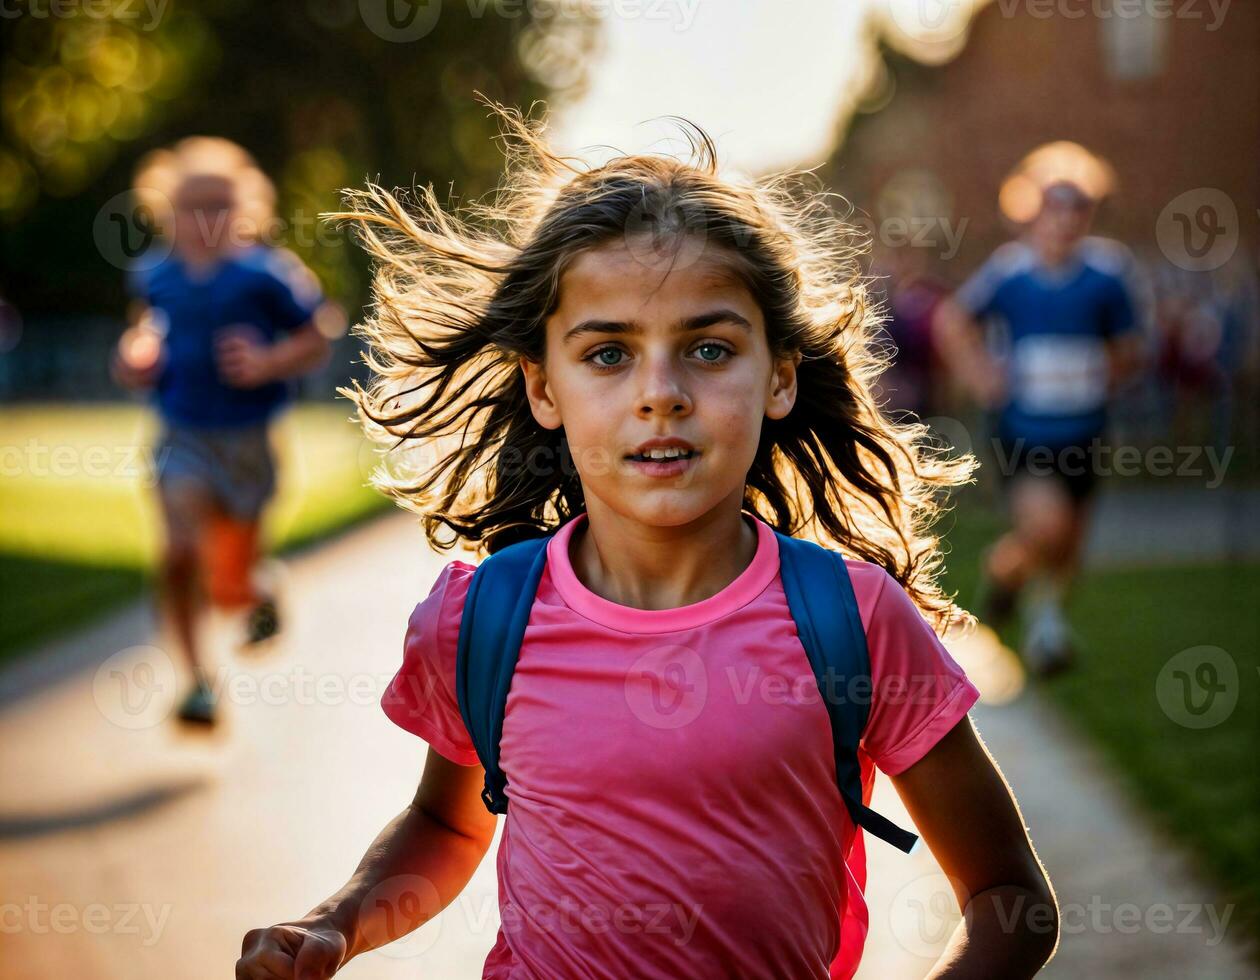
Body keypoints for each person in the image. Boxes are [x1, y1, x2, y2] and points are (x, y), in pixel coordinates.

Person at [236, 104, 1059, 979]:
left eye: (708, 349)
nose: (660, 393)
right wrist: (337, 923)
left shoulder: (852, 623)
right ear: (542, 387)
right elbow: (444, 824)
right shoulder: (484, 620)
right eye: (607, 355)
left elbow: (1010, 901)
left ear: (778, 377)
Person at [111, 137, 331, 726]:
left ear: (244, 211)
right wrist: (135, 354)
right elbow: (145, 331)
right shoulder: (154, 275)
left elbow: (318, 336)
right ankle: (197, 683)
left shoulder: (266, 274)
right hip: (181, 435)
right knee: (179, 554)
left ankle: (258, 589)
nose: (206, 218)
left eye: (219, 205)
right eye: (192, 205)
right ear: (167, 212)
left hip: (248, 446)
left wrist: (268, 361)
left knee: (229, 586)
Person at [934, 179, 1146, 676]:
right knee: (1045, 529)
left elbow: (1130, 345)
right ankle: (1004, 575)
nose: (1064, 224)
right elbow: (953, 320)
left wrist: (1103, 374)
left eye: (1076, 214)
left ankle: (1044, 628)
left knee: (1069, 540)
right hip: (1024, 432)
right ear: (1034, 216)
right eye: (1054, 212)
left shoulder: (1107, 275)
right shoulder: (1010, 273)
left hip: (1086, 429)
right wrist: (982, 376)